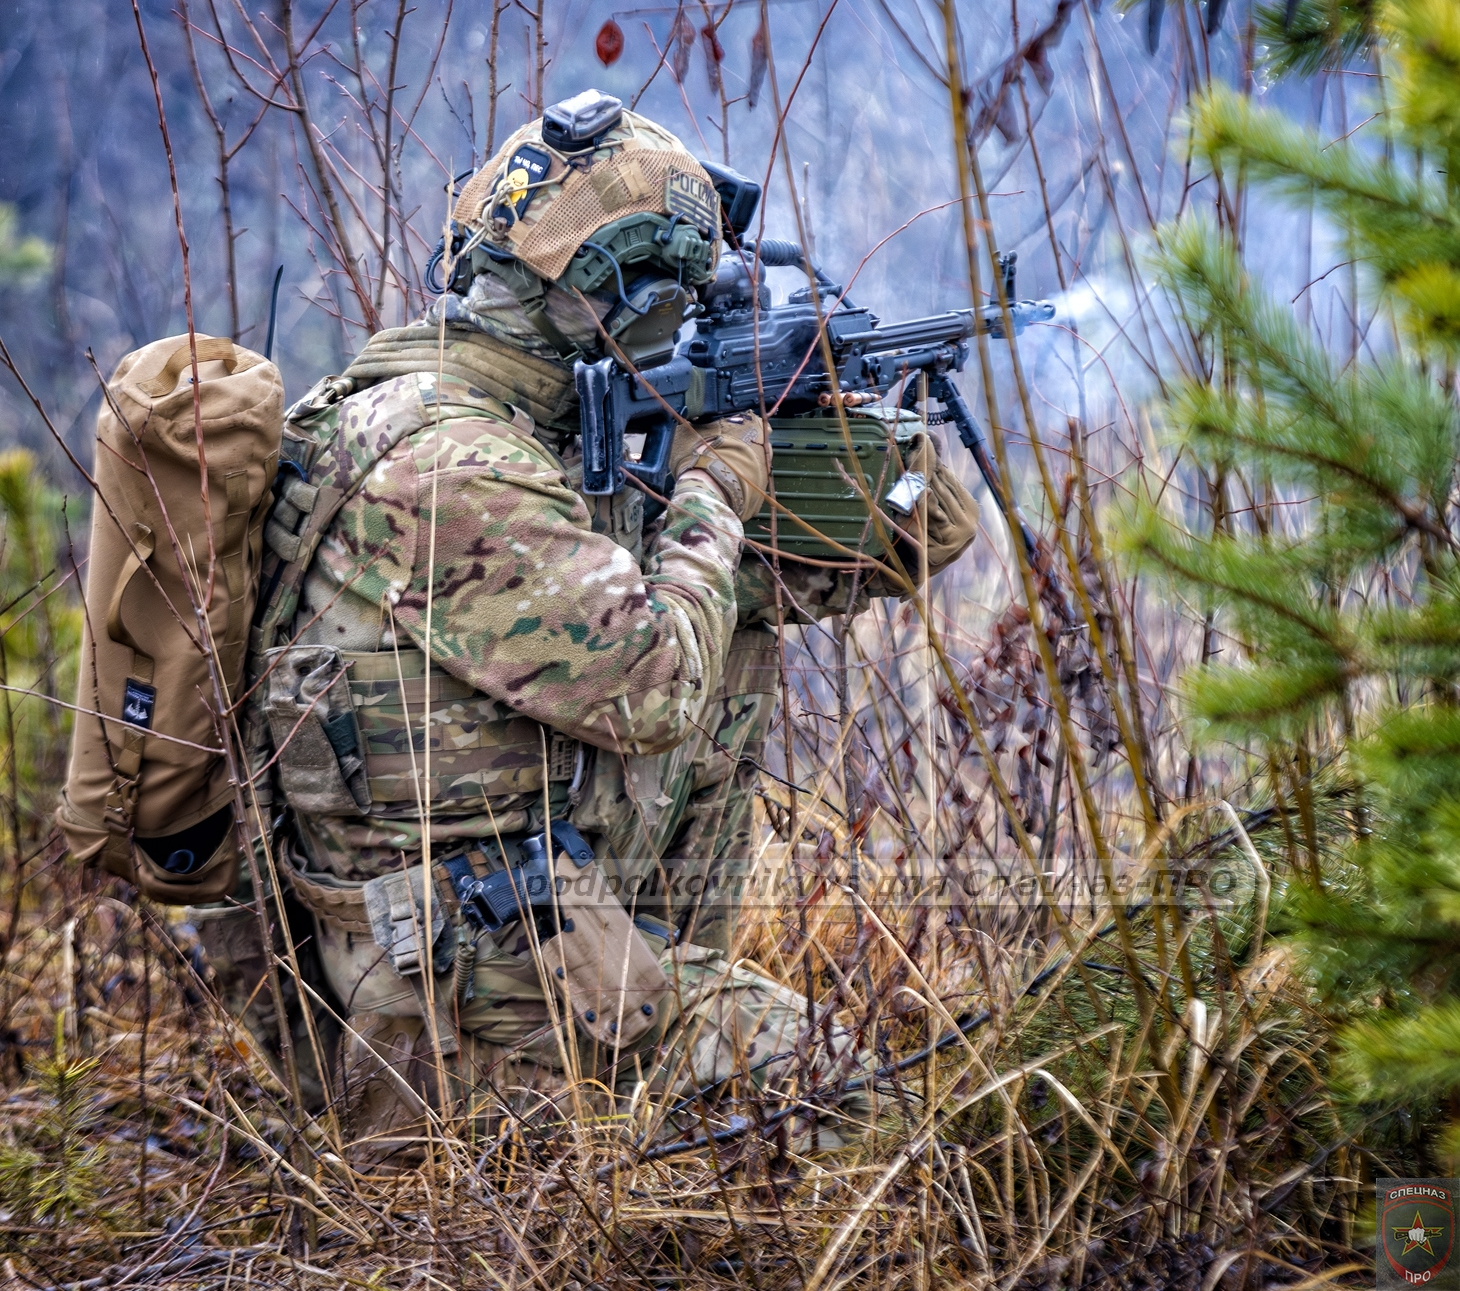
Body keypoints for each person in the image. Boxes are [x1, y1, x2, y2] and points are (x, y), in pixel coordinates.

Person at [190, 93, 979, 1165]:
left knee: (731, 618)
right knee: (868, 1103)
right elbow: (652, 684)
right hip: (450, 1026)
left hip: (528, 957)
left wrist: (826, 418)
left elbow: (920, 533)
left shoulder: (523, 423)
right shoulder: (447, 462)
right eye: (671, 299)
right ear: (622, 297)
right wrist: (715, 493)